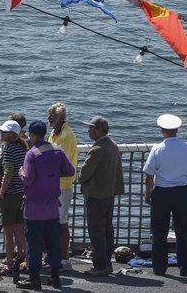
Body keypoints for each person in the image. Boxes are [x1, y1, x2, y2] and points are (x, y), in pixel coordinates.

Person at [19, 121, 75, 290]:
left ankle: (34, 279)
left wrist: (21, 172)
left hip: (34, 208)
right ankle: (55, 278)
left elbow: (28, 179)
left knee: (34, 244)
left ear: (33, 135)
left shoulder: (31, 154)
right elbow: (70, 171)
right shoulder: (58, 150)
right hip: (52, 207)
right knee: (53, 242)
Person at [143, 114, 187, 277]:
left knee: (159, 232)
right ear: (177, 130)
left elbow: (149, 174)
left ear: (162, 131)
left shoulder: (157, 149)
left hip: (162, 193)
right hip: (182, 192)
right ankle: (186, 268)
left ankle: (160, 268)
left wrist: (148, 193)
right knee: (183, 231)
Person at [78, 116, 124, 277]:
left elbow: (84, 174)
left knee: (96, 232)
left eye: (91, 128)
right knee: (107, 230)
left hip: (96, 195)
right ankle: (107, 263)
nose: (88, 130)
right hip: (109, 194)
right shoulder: (113, 145)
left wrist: (79, 177)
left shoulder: (97, 149)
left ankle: (99, 265)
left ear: (99, 130)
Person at [46, 103, 77, 269]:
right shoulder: (54, 133)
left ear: (60, 117)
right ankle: (54, 255)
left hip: (62, 185)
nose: (48, 119)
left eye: (51, 116)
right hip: (54, 184)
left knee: (61, 223)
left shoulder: (65, 136)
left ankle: (65, 259)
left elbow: (57, 161)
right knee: (53, 222)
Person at [0, 119, 27, 276]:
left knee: (8, 232)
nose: (1, 133)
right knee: (21, 229)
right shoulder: (24, 148)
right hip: (22, 193)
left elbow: (8, 172)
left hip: (10, 194)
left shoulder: (8, 150)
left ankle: (9, 263)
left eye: (4, 131)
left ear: (12, 135)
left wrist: (2, 192)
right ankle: (27, 260)